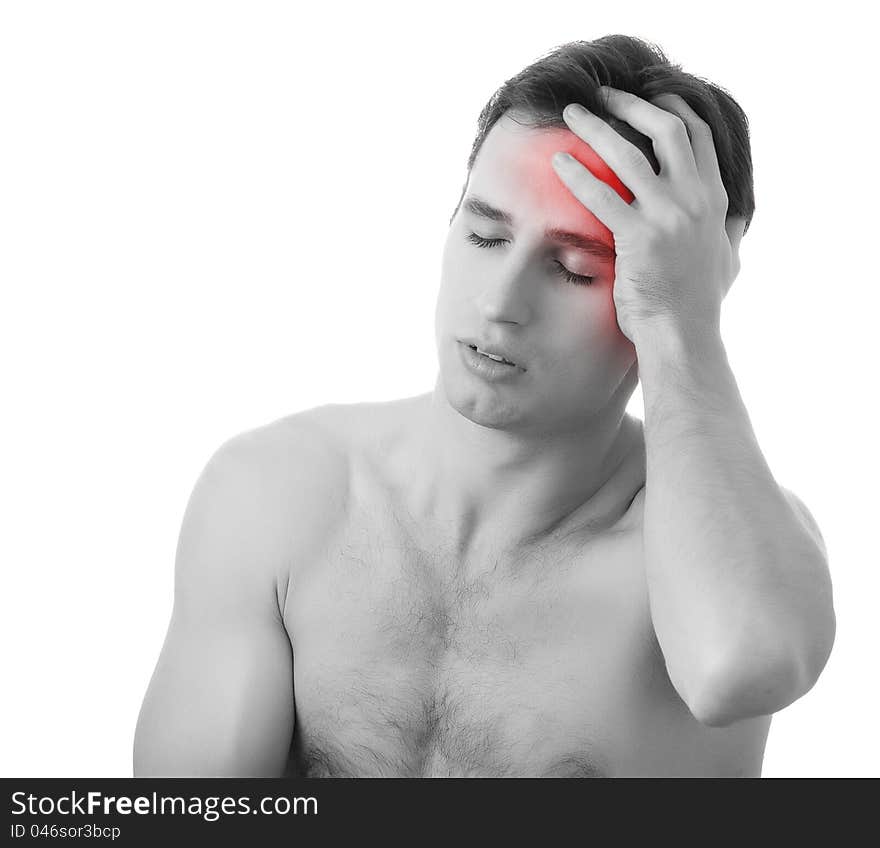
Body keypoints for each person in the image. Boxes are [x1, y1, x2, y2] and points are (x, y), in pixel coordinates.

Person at [133, 34, 835, 777]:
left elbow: (741, 668)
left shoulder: (724, 555)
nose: (500, 302)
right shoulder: (279, 496)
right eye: (484, 233)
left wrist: (679, 321)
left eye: (573, 270)